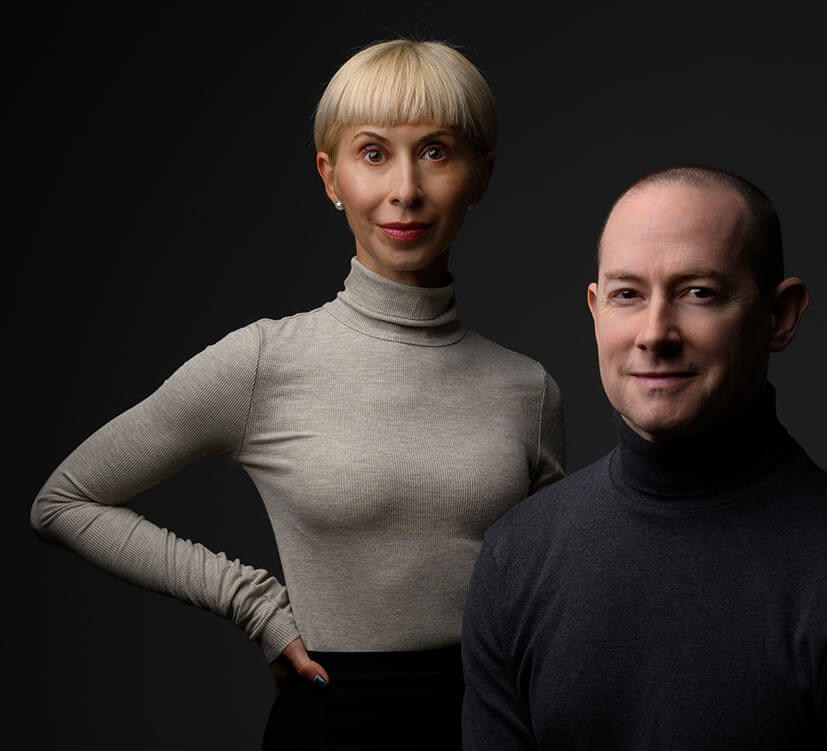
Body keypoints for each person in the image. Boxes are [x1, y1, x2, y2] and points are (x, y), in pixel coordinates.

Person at [30, 39, 564, 749]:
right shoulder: (264, 362)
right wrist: (254, 604)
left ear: (481, 173)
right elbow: (65, 501)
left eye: (435, 151)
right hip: (330, 722)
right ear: (330, 176)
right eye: (373, 153)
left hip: (498, 722)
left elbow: (549, 596)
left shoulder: (528, 389)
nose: (405, 187)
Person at [461, 166, 827, 749]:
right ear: (595, 309)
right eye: (627, 294)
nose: (655, 333)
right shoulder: (516, 558)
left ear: (780, 316)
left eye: (698, 293)